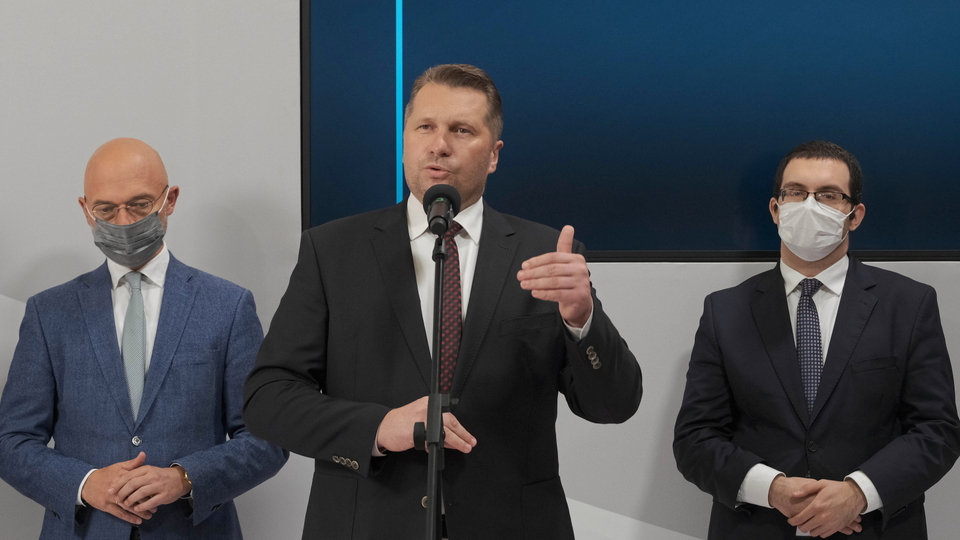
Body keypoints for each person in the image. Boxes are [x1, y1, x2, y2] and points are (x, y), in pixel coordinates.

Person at [243, 64, 643, 539]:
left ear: (494, 155)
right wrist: (378, 427)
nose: (439, 145)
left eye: (461, 130)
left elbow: (614, 405)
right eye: (425, 127)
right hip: (366, 524)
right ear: (405, 140)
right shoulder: (332, 251)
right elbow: (268, 397)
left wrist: (582, 319)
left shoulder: (546, 253)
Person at [0, 138, 288, 539]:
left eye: (139, 204)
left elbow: (267, 437)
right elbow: (11, 441)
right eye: (106, 209)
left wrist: (184, 478)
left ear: (170, 200)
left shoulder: (228, 306)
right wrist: (85, 484)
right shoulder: (49, 313)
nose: (123, 222)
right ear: (85, 209)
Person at [673, 140, 960, 539]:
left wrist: (858, 493)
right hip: (758, 527)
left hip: (874, 529)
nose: (809, 205)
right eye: (795, 192)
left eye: (828, 195)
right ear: (776, 209)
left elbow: (937, 430)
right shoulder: (724, 311)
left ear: (854, 215)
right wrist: (773, 489)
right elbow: (695, 439)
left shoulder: (910, 304)